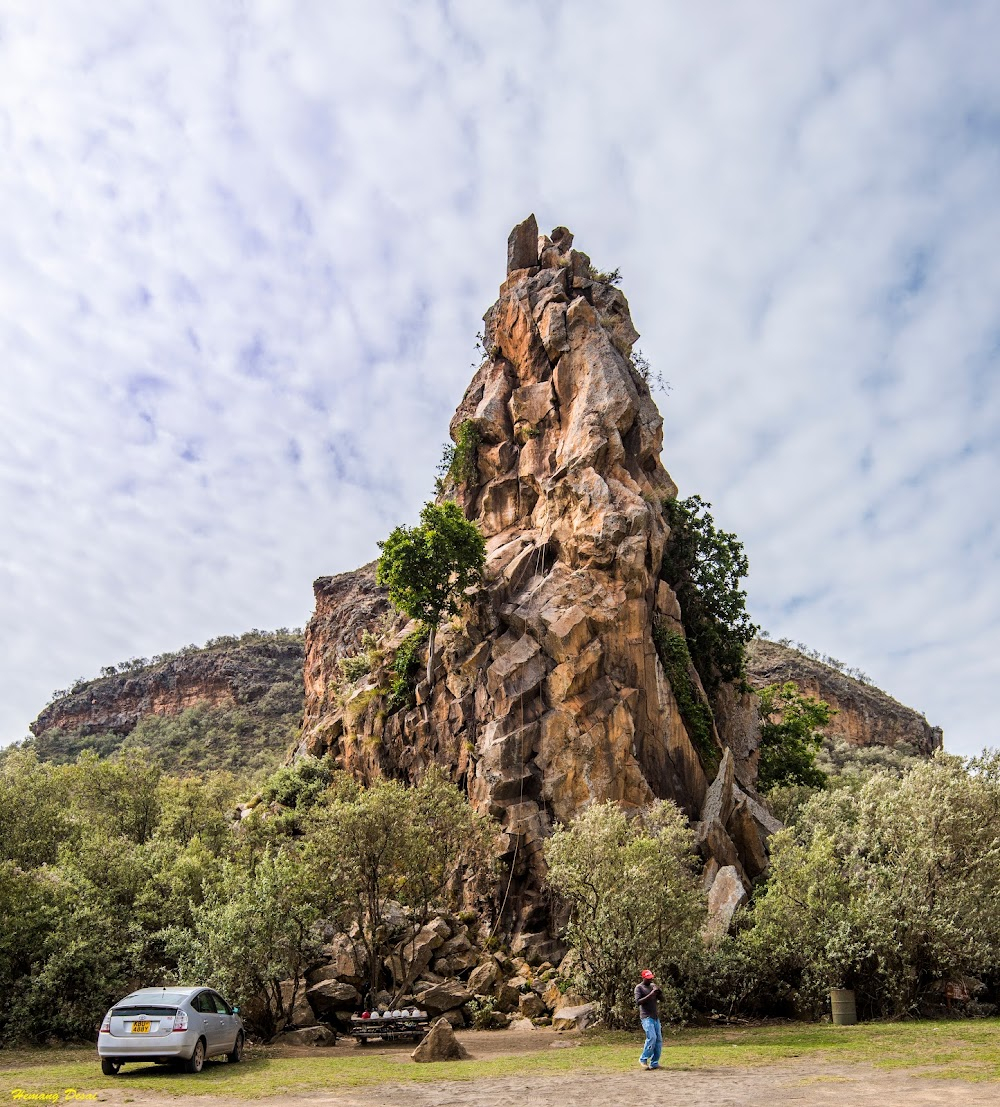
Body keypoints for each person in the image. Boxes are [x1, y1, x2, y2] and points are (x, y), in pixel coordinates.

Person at [635, 968, 662, 1070]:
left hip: (655, 1016)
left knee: (658, 1040)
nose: (650, 980)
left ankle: (654, 1062)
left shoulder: (652, 986)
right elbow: (638, 1002)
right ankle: (643, 1059)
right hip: (646, 1017)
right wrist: (651, 994)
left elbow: (662, 999)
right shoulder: (639, 988)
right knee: (652, 1038)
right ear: (643, 978)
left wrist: (659, 992)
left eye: (651, 978)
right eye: (648, 978)